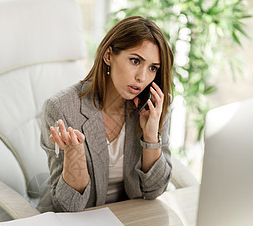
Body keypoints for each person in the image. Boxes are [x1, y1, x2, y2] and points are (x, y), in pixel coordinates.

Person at [37, 16, 174, 212]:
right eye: (135, 61)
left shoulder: (155, 105)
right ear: (109, 56)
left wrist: (150, 136)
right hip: (76, 225)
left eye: (153, 68)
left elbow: (155, 190)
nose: (142, 77)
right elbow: (69, 206)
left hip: (129, 222)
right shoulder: (62, 108)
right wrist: (75, 154)